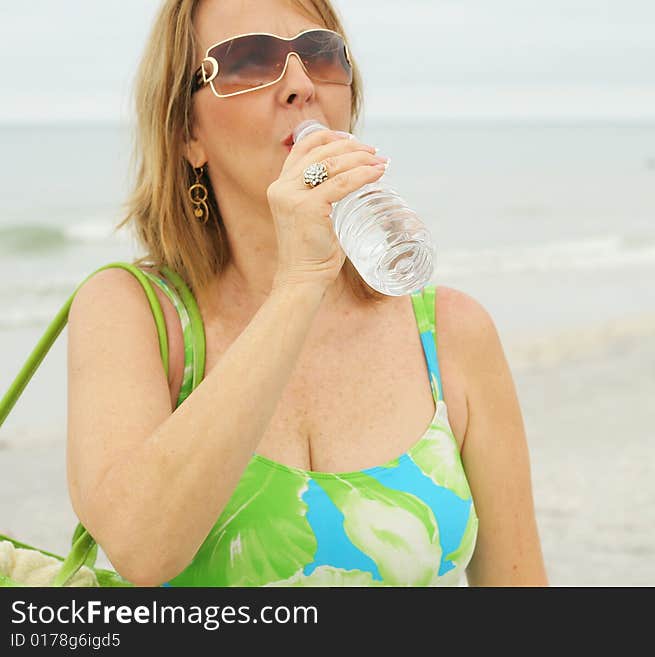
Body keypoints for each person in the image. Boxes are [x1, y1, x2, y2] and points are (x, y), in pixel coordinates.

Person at [65, 0, 547, 587]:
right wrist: (299, 284)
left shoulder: (451, 333)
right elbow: (142, 547)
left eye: (321, 55)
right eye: (248, 60)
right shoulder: (131, 313)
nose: (299, 85)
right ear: (188, 134)